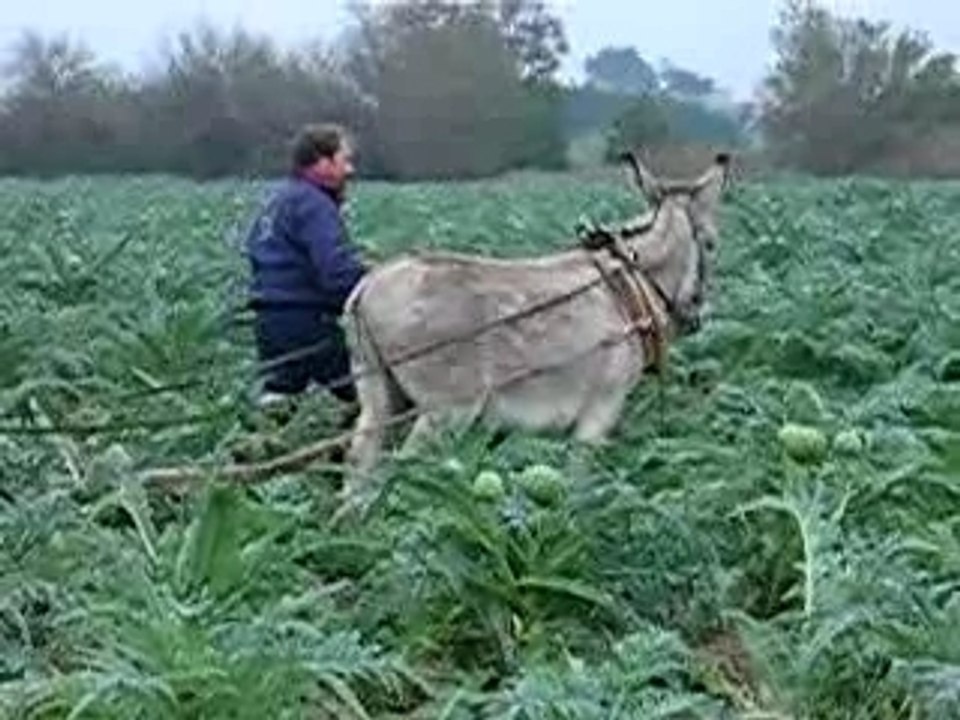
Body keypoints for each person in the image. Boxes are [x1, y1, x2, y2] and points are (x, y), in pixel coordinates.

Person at [245, 123, 367, 414]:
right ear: (322, 163)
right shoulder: (314, 205)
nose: (350, 170)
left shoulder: (278, 200)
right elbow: (337, 274)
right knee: (375, 391)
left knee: (279, 398)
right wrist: (381, 286)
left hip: (269, 323)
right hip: (309, 322)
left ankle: (258, 446)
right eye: (344, 160)